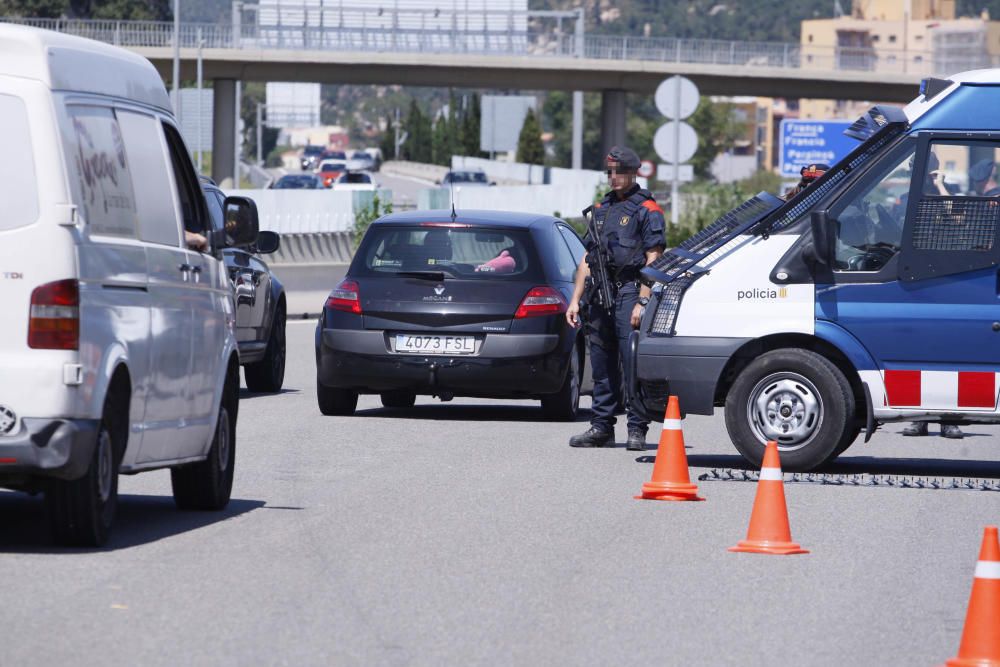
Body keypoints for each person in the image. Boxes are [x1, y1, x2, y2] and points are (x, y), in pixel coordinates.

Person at [566, 146, 666, 451]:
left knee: (631, 362)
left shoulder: (648, 209)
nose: (613, 177)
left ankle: (637, 428)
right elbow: (588, 257)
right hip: (600, 293)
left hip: (629, 292)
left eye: (619, 171)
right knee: (601, 364)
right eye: (610, 172)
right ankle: (601, 426)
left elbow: (654, 257)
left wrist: (643, 300)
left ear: (633, 172)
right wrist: (575, 299)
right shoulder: (601, 208)